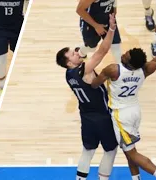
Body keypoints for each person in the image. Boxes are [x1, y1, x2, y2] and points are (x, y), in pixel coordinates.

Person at [56, 14, 131, 180]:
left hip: (86, 116)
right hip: (102, 116)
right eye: (73, 54)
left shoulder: (68, 75)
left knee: (88, 151)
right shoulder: (83, 70)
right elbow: (102, 51)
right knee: (110, 150)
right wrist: (111, 29)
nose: (77, 53)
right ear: (69, 63)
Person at [91, 43, 156, 180]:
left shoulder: (113, 70)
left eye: (127, 55)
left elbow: (94, 84)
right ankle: (136, 178)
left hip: (121, 115)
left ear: (130, 63)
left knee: (132, 153)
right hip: (135, 111)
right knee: (129, 150)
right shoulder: (146, 69)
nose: (124, 54)